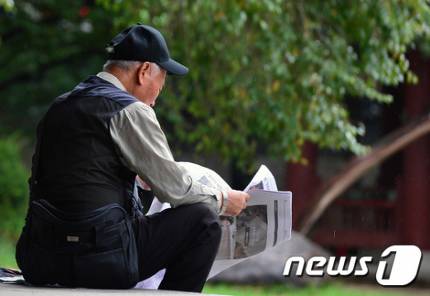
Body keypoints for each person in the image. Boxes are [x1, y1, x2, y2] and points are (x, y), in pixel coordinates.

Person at [15, 24, 250, 292]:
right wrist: (222, 199)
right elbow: (176, 189)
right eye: (159, 87)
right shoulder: (131, 110)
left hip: (41, 257)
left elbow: (77, 173)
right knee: (203, 219)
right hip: (101, 259)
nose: (154, 100)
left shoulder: (61, 105)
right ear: (144, 71)